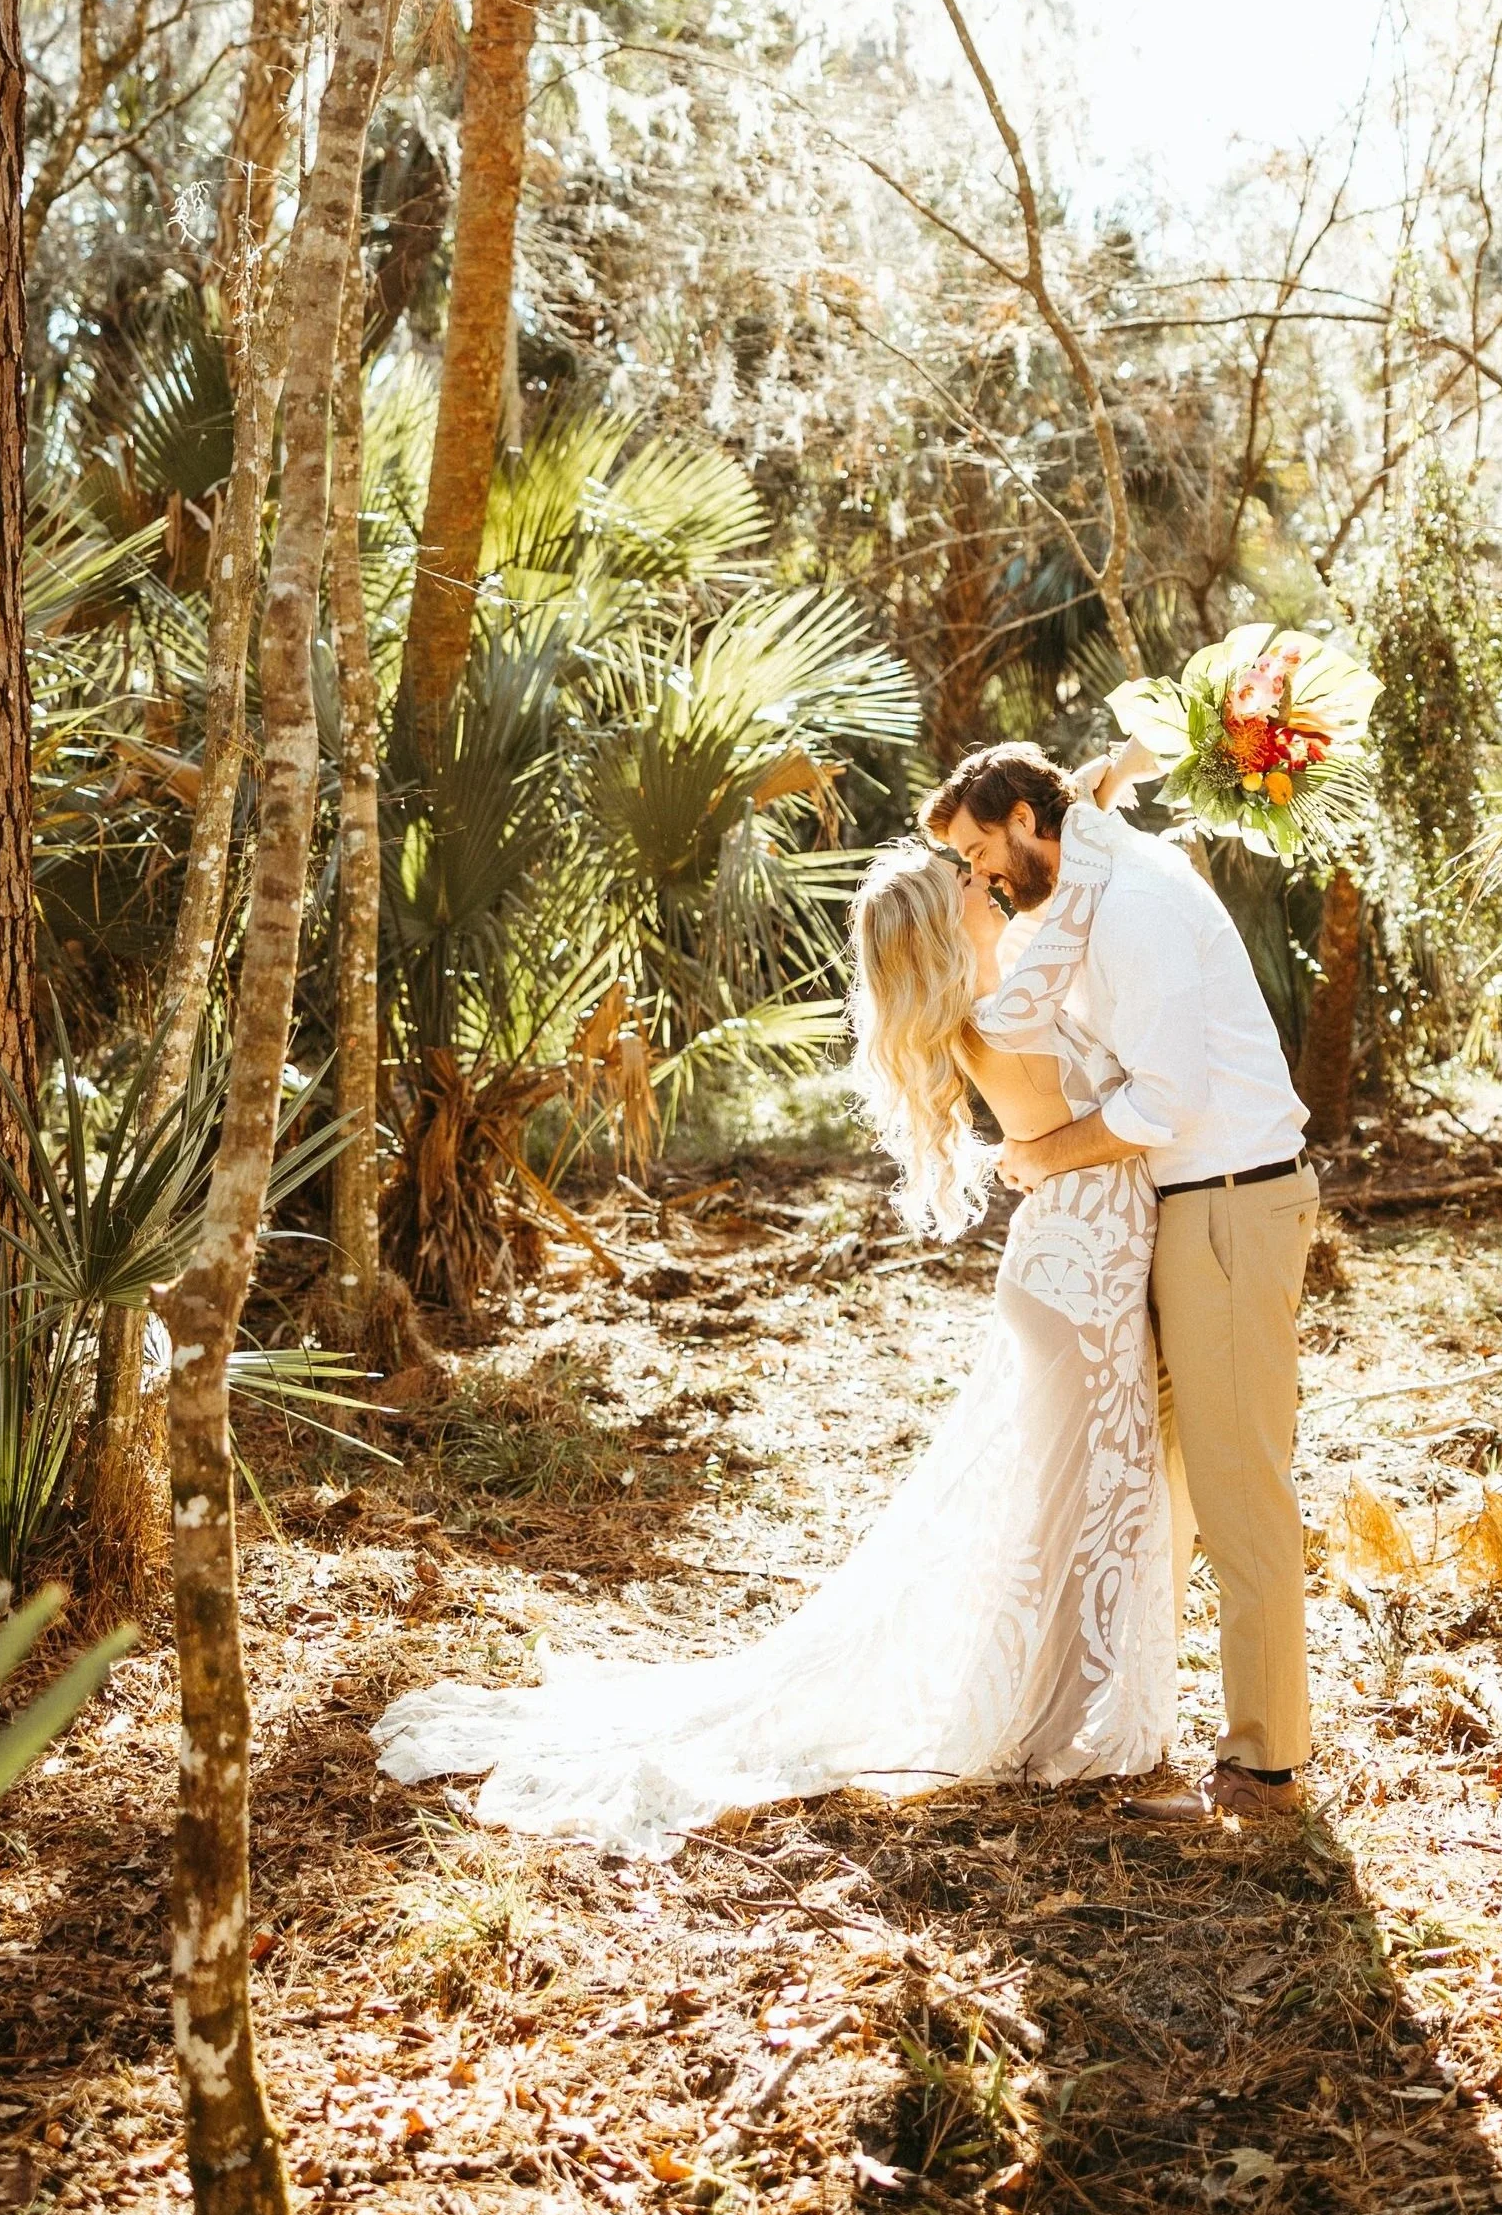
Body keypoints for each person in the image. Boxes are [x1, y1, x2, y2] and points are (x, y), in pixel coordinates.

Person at [370, 780, 1179, 1857]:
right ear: (944, 927)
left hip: (1076, 1267)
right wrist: (1091, 817)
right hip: (1080, 1276)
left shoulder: (996, 1001)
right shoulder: (1002, 1014)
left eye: (975, 868)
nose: (982, 880)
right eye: (962, 878)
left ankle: (1062, 1701)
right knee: (1079, 1501)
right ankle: (1063, 1714)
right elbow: (1090, 949)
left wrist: (1082, 806)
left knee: (1072, 1502)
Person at [922, 740, 1320, 1825]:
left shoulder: (1133, 905)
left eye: (978, 853)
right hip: (1185, 1210)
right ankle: (1155, 1721)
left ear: (1021, 820)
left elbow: (1163, 1100)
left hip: (1228, 1201)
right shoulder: (1090, 865)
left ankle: (1265, 1770)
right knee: (1169, 1483)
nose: (979, 878)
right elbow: (1085, 800)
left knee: (1238, 1488)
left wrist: (1040, 1157)